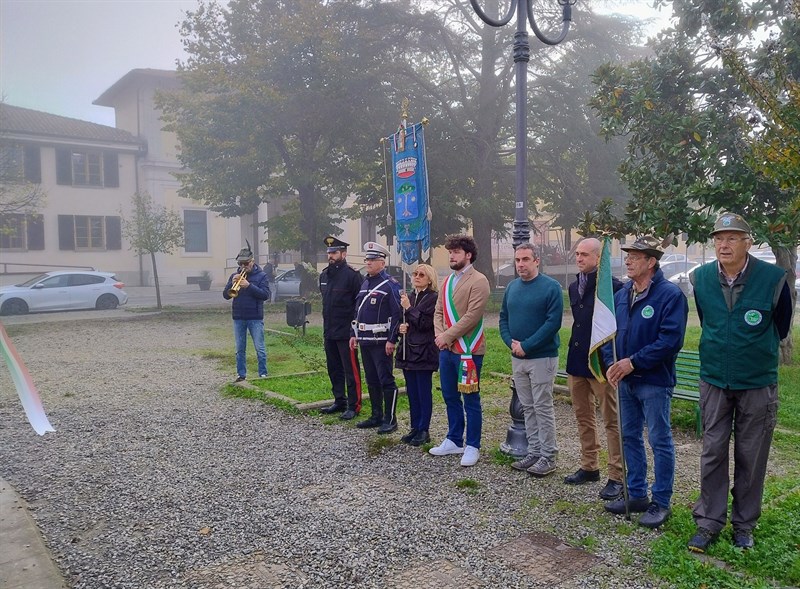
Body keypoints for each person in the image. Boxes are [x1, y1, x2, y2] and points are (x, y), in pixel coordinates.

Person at [687, 213, 792, 553]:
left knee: (752, 456)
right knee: (712, 452)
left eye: (732, 238)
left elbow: (782, 325)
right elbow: (707, 321)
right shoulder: (700, 278)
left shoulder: (774, 279)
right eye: (719, 238)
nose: (724, 244)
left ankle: (744, 525)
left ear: (748, 242)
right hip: (715, 379)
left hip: (757, 383)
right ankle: (709, 521)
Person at [602, 235, 688, 529]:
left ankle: (660, 501)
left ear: (651, 262)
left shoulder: (669, 295)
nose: (628, 260)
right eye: (627, 256)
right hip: (625, 381)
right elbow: (608, 334)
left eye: (635, 257)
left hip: (653, 381)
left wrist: (633, 361)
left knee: (659, 440)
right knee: (629, 438)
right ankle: (636, 494)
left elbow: (670, 340)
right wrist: (610, 363)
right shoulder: (622, 294)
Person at [564, 237, 625, 500]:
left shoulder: (614, 289)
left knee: (612, 420)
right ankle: (590, 466)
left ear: (599, 258)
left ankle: (617, 475)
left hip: (602, 364)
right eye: (577, 254)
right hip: (577, 361)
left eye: (585, 255)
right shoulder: (573, 286)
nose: (579, 258)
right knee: (583, 417)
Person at [499, 243, 564, 477]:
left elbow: (553, 323)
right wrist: (512, 344)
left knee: (542, 406)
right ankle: (534, 451)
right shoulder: (512, 287)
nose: (520, 264)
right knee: (527, 407)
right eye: (517, 260)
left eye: (525, 259)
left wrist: (527, 346)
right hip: (518, 357)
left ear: (537, 260)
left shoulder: (550, 287)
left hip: (541, 357)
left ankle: (548, 455)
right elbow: (504, 318)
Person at [430, 234, 490, 467]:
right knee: (449, 395)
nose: (451, 256)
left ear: (468, 255)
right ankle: (454, 439)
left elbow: (472, 316)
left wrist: (447, 335)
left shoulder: (479, 280)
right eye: (450, 252)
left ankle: (472, 445)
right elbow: (438, 312)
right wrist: (439, 335)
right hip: (446, 349)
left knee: (470, 399)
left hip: (469, 350)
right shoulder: (446, 282)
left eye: (455, 252)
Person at [350, 242, 403, 433]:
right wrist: (353, 334)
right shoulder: (365, 283)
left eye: (372, 260)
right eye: (367, 259)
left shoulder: (390, 285)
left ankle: (390, 419)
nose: (368, 262)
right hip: (364, 340)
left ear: (382, 262)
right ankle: (376, 415)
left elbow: (397, 314)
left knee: (385, 379)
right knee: (371, 379)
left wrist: (392, 339)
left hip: (381, 341)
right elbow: (357, 311)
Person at [319, 236, 364, 420]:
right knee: (334, 368)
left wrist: (355, 331)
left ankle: (354, 405)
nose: (330, 255)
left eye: (334, 252)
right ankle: (339, 400)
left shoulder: (353, 276)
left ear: (343, 254)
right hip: (329, 330)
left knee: (350, 369)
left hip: (346, 332)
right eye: (329, 252)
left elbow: (359, 306)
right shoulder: (324, 275)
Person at [395, 263, 439, 447]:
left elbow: (425, 323)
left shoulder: (433, 298)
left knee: (423, 392)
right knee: (412, 392)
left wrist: (408, 308)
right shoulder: (411, 296)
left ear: (429, 279)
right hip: (407, 350)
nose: (417, 277)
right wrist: (401, 327)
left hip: (424, 352)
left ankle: (424, 429)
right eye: (415, 274)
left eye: (422, 274)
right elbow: (403, 320)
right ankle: (414, 427)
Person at [222, 242, 271, 382]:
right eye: (241, 264)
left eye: (246, 263)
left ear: (252, 261)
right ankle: (241, 375)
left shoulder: (262, 276)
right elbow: (226, 295)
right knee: (239, 349)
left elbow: (265, 295)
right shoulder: (234, 275)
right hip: (238, 317)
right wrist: (232, 284)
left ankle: (263, 374)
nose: (243, 267)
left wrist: (249, 286)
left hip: (255, 317)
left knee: (259, 348)